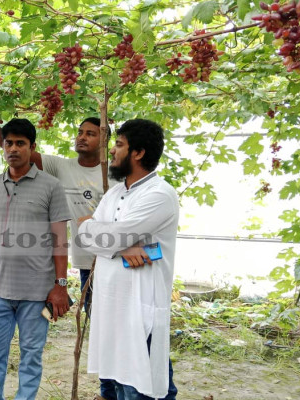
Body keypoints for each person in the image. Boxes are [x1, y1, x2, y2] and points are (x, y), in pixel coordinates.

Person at [0, 109, 118, 315]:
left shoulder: (115, 174)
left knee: (114, 318)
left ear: (105, 141)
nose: (82, 137)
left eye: (90, 134)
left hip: (112, 255)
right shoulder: (61, 167)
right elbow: (16, 147)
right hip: (85, 259)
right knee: (94, 318)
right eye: (80, 132)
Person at [77, 119, 179, 400]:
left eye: (119, 145)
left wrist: (101, 234)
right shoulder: (115, 192)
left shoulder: (159, 195)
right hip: (111, 306)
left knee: (141, 388)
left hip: (139, 307)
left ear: (139, 153)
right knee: (119, 382)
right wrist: (121, 246)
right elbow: (83, 233)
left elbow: (101, 232)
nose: (111, 151)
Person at [0, 118, 71, 400]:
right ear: (3, 146)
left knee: (31, 358)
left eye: (20, 143)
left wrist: (60, 285)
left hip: (37, 292)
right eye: (8, 143)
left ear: (32, 147)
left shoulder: (51, 186)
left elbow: (60, 239)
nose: (13, 148)